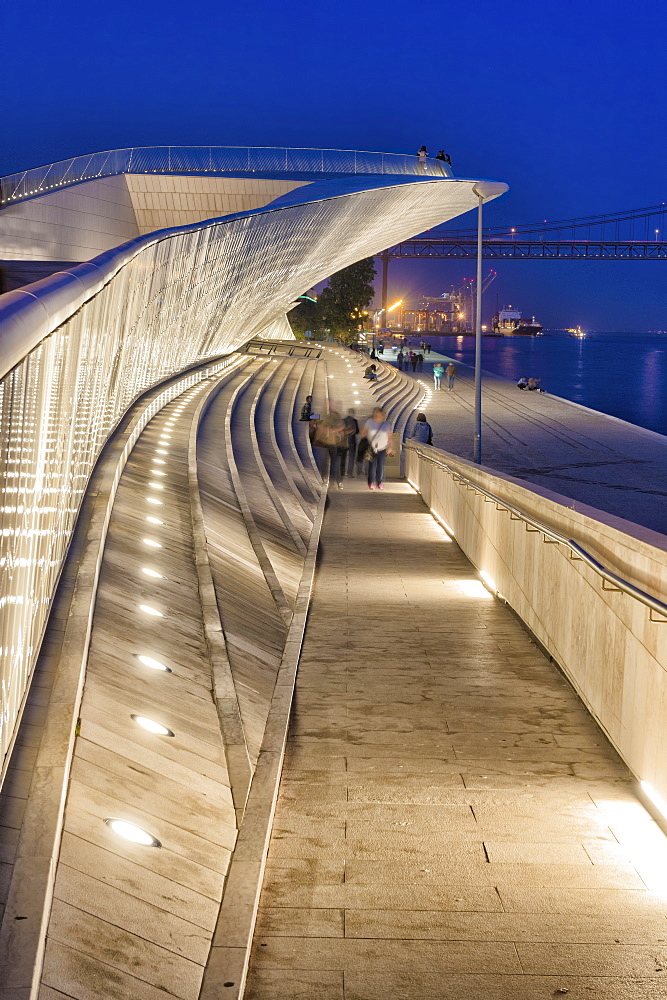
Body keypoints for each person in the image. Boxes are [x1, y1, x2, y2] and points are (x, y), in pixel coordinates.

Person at [361, 407, 394, 491]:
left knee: (380, 466)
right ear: (375, 415)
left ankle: (379, 483)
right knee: (372, 466)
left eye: (381, 415)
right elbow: (363, 433)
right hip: (372, 448)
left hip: (382, 448)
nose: (379, 417)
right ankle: (371, 482)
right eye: (377, 415)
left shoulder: (386, 424)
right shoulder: (370, 422)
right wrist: (366, 439)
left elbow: (390, 437)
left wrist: (390, 447)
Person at [313, 409, 346, 488]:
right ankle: (327, 479)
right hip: (326, 445)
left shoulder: (335, 427)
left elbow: (341, 435)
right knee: (327, 463)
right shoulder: (325, 426)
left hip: (332, 445)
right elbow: (319, 433)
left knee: (332, 463)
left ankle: (331, 480)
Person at [342, 408, 359, 477]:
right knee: (351, 457)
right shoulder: (355, 421)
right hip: (352, 441)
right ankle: (349, 473)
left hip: (344, 441)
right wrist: (352, 431)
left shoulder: (343, 420)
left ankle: (342, 472)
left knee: (343, 456)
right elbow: (357, 431)